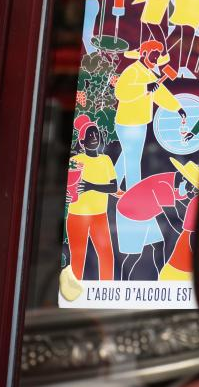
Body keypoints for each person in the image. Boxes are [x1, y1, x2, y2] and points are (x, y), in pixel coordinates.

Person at [112, 39, 186, 191]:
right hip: (128, 123)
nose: (156, 58)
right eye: (154, 54)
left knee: (127, 156)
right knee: (133, 159)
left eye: (158, 55)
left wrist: (177, 108)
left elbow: (160, 94)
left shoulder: (148, 74)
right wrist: (144, 87)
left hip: (140, 123)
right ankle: (133, 192)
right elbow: (120, 91)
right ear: (144, 53)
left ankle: (113, 185)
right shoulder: (133, 70)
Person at [112, 158, 199, 281]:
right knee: (134, 256)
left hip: (147, 214)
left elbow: (181, 211)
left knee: (158, 247)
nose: (193, 192)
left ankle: (157, 280)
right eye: (193, 188)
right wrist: (188, 231)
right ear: (184, 179)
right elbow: (172, 218)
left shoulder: (178, 186)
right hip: (129, 214)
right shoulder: (164, 185)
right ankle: (125, 282)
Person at [65, 115, 116, 281]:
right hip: (77, 216)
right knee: (78, 258)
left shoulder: (106, 160)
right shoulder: (75, 160)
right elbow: (69, 186)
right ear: (82, 142)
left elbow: (113, 187)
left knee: (106, 255)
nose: (94, 137)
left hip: (100, 216)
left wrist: (91, 186)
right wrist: (67, 194)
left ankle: (106, 290)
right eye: (89, 135)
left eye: (96, 134)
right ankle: (75, 292)